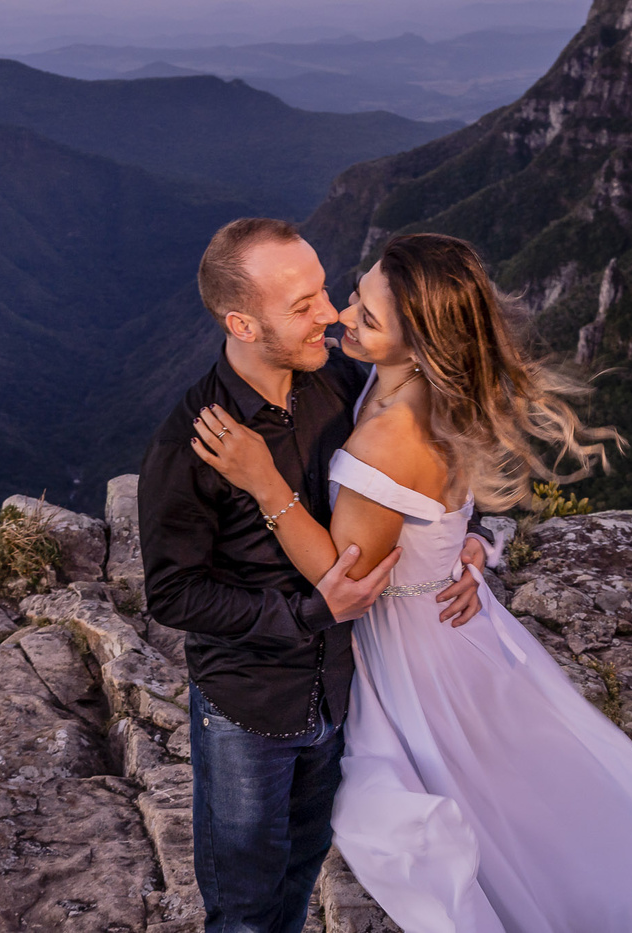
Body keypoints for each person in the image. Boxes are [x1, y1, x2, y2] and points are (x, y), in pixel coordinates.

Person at [191, 233, 632, 931]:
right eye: (355, 296)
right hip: (450, 619)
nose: (342, 317)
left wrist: (264, 481)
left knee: (422, 817)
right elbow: (439, 509)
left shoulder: (389, 436)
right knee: (502, 808)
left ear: (419, 347)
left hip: (413, 652)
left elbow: (341, 576)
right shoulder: (407, 386)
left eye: (367, 318)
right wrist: (466, 547)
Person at [138, 219, 495, 933]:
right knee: (244, 905)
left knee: (301, 870)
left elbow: (426, 452)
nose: (331, 315)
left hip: (344, 691)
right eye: (303, 306)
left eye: (326, 292)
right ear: (242, 323)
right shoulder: (193, 442)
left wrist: (469, 539)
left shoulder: (341, 381)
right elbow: (173, 593)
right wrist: (306, 614)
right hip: (250, 707)